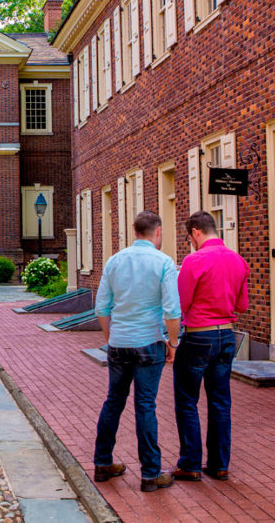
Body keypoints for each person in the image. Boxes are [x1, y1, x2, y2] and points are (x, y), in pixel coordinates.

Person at [93, 210, 181, 493]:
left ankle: (102, 463)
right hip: (148, 342)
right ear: (157, 232)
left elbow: (101, 308)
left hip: (119, 342)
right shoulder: (164, 262)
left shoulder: (114, 261)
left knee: (113, 401)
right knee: (145, 405)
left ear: (135, 232)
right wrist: (173, 342)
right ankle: (150, 474)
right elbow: (172, 310)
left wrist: (111, 337)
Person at [172, 211, 249, 483]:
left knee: (187, 400)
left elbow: (180, 305)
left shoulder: (194, 261)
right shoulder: (239, 261)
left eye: (188, 237)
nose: (189, 242)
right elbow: (242, 306)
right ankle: (219, 464)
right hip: (226, 336)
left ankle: (191, 463)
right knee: (220, 401)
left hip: (198, 336)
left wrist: (170, 337)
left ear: (195, 232)